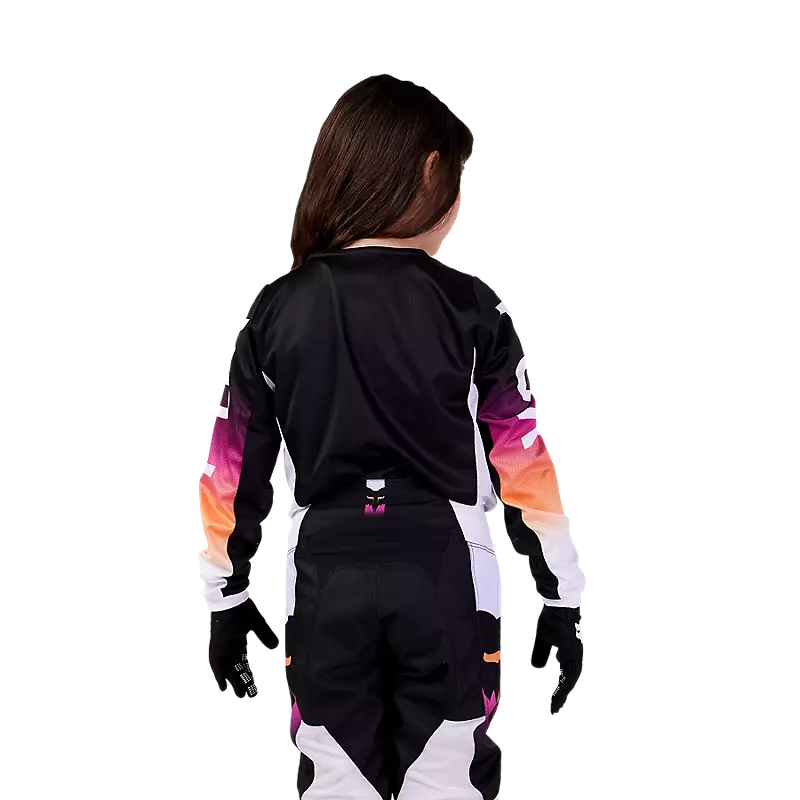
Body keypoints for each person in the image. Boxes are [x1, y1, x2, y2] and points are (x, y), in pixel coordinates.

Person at [197, 73, 586, 800]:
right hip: (446, 571)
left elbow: (230, 468)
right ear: (431, 171)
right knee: (448, 776)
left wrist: (224, 596)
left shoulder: (275, 310)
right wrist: (561, 595)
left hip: (323, 575)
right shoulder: (473, 308)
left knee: (336, 778)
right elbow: (524, 465)